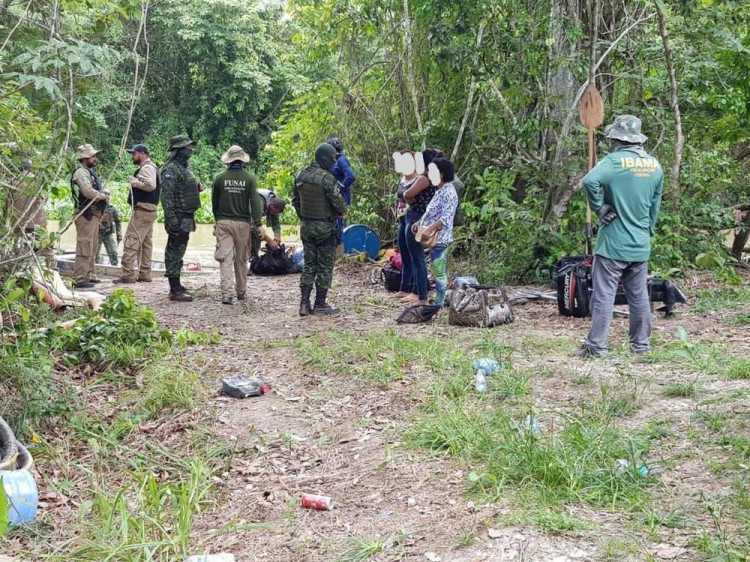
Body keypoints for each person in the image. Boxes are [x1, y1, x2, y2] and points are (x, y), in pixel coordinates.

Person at [576, 115, 664, 358]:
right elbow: (654, 207)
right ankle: (641, 346)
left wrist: (599, 207)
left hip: (613, 243)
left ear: (616, 139)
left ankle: (597, 346)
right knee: (639, 297)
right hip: (640, 244)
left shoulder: (614, 161)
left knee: (604, 294)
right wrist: (648, 232)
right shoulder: (654, 165)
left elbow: (590, 181)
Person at [292, 143, 346, 316]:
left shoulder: (300, 174)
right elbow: (339, 205)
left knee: (309, 265)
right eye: (333, 158)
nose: (334, 162)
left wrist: (304, 217)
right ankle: (320, 304)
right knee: (324, 266)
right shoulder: (327, 178)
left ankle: (304, 304)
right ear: (325, 158)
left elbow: (295, 201)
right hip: (325, 228)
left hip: (306, 226)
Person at [212, 145, 261, 305]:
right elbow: (255, 203)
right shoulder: (250, 178)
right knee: (241, 259)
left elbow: (214, 202)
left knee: (225, 258)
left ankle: (226, 295)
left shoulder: (219, 178)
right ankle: (241, 293)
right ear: (242, 161)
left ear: (229, 161)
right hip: (243, 224)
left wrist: (217, 219)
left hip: (223, 222)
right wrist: (258, 223)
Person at [160, 134, 204, 302]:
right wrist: (172, 221)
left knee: (179, 251)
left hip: (186, 216)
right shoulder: (170, 169)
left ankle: (177, 285)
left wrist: (196, 188)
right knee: (174, 252)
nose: (190, 150)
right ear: (178, 150)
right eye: (187, 148)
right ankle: (174, 289)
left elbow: (182, 189)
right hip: (178, 217)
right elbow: (167, 198)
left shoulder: (183, 168)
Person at [412, 157, 458, 307]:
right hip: (433, 236)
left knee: (439, 272)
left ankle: (439, 301)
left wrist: (430, 229)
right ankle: (440, 298)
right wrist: (419, 223)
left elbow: (445, 218)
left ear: (442, 174)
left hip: (440, 237)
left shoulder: (449, 193)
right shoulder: (439, 191)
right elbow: (432, 212)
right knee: (438, 270)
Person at [401, 148, 441, 306]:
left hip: (416, 217)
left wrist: (410, 201)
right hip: (423, 217)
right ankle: (419, 294)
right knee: (418, 258)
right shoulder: (436, 177)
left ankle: (421, 297)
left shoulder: (425, 178)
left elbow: (407, 194)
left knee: (417, 258)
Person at [116, 144, 160, 283]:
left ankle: (128, 274)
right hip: (150, 210)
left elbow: (150, 185)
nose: (132, 157)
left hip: (142, 211)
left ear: (141, 154)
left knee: (131, 240)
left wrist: (134, 182)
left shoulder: (147, 168)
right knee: (146, 243)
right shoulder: (153, 167)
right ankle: (145, 273)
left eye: (134, 154)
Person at [70, 144, 108, 288]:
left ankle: (89, 274)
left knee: (92, 245)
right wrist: (102, 196)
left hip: (93, 214)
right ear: (85, 158)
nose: (95, 158)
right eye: (93, 156)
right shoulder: (80, 172)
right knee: (85, 245)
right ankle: (79, 278)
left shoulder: (88, 171)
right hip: (86, 213)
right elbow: (87, 191)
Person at [7, 157, 55, 268]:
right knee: (45, 245)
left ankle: (19, 268)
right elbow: (45, 199)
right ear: (31, 168)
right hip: (37, 220)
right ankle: (51, 267)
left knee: (20, 246)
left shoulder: (13, 181)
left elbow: (9, 202)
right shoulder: (38, 180)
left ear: (21, 168)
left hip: (18, 221)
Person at [390, 151, 420, 300]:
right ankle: (404, 287)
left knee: (415, 255)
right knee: (404, 254)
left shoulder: (418, 180)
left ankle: (416, 290)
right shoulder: (402, 179)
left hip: (412, 218)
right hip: (402, 218)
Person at [327, 135, 355, 238]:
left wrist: (339, 188)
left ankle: (338, 249)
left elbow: (351, 176)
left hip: (339, 199)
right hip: (333, 200)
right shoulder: (332, 161)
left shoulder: (341, 160)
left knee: (337, 228)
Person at [249, 188, 286, 260]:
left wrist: (277, 236)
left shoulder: (274, 203)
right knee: (257, 233)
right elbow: (253, 223)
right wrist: (269, 241)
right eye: (273, 212)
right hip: (238, 214)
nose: (274, 214)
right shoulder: (259, 202)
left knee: (259, 233)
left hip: (251, 217)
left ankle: (253, 257)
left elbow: (275, 222)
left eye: (276, 213)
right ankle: (253, 257)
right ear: (271, 206)